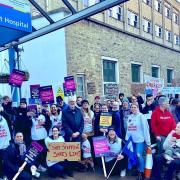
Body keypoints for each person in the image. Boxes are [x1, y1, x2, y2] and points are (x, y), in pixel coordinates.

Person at [126, 103, 151, 180]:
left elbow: (146, 129)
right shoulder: (130, 117)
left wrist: (148, 142)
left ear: (138, 108)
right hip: (132, 141)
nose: (133, 108)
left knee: (139, 155)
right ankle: (138, 169)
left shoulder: (141, 116)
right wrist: (127, 139)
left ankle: (142, 172)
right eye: (132, 107)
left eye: (135, 107)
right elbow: (128, 129)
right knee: (134, 156)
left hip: (140, 140)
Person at [0, 107, 11, 179]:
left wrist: (3, 111)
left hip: (5, 145)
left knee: (6, 161)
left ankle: (5, 174)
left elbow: (9, 118)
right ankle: (1, 175)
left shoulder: (3, 118)